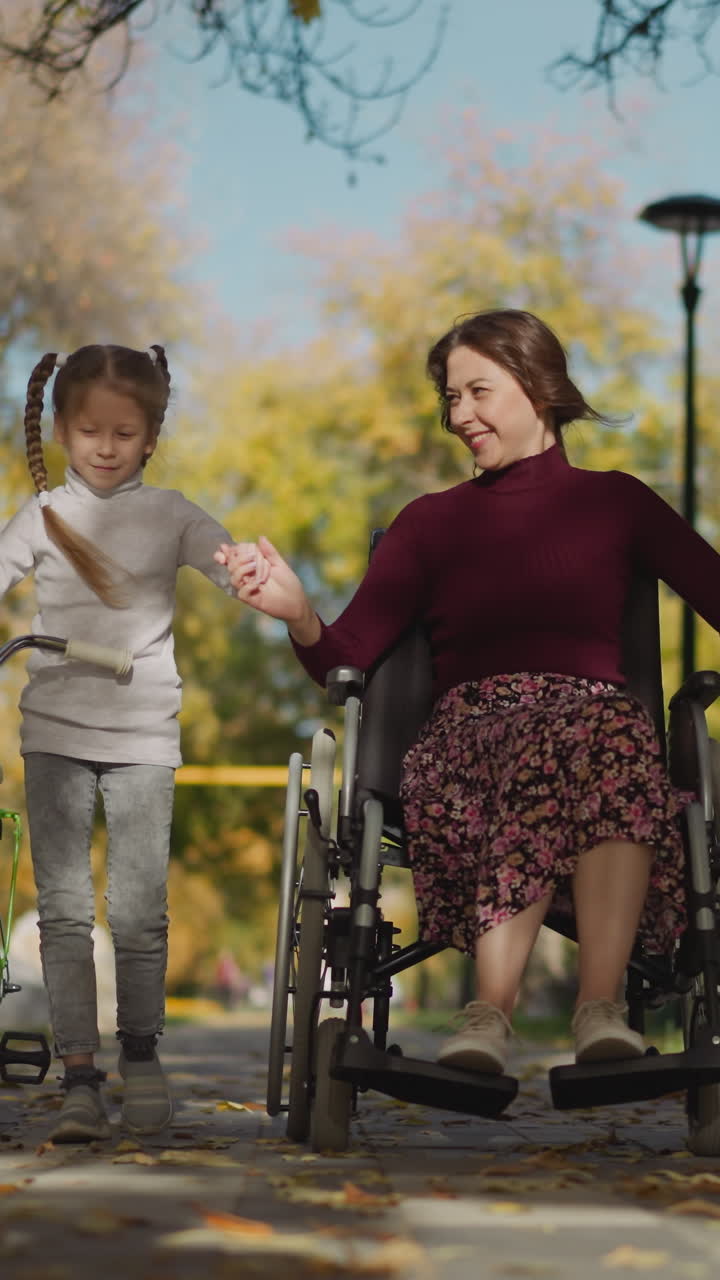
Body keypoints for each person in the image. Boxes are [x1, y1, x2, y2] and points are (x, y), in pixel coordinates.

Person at [217, 308, 720, 1078]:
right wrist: (298, 612)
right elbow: (344, 659)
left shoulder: (618, 504)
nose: (460, 416)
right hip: (469, 747)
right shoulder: (429, 525)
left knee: (609, 734)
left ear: (538, 386)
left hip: (599, 743)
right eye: (451, 398)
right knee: (566, 735)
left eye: (477, 391)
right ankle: (490, 1009)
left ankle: (599, 1009)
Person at [0, 343, 249, 1143]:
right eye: (89, 431)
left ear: (150, 435)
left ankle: (140, 1054)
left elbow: (228, 559)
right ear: (64, 431)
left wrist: (250, 571)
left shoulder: (170, 512)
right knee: (65, 913)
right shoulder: (38, 519)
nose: (105, 447)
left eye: (124, 432)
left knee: (139, 910)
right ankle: (79, 1074)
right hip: (56, 732)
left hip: (144, 732)